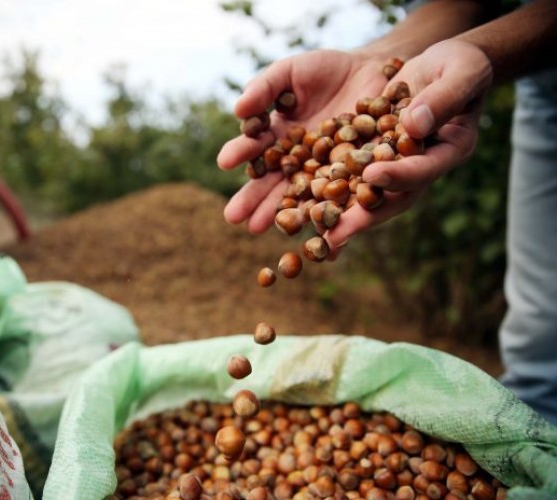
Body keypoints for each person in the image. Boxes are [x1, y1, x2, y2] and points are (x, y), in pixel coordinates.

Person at [217, 0, 557, 425]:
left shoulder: (344, 152)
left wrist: (484, 53)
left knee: (545, 350)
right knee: (544, 354)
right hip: (547, 94)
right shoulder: (338, 149)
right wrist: (380, 57)